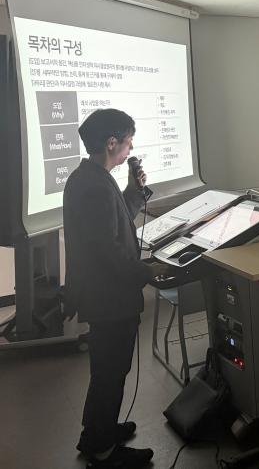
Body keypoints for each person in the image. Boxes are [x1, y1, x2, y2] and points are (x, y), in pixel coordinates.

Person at [63, 109, 168, 469]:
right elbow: (107, 250)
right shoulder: (93, 186)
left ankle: (96, 433)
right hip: (109, 298)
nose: (130, 148)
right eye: (128, 141)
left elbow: (117, 220)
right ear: (111, 142)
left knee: (106, 371)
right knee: (110, 373)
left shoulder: (92, 178)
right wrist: (146, 271)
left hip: (104, 295)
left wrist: (134, 192)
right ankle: (103, 450)